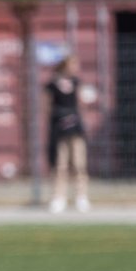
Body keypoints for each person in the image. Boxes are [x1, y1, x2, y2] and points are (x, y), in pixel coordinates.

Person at [45, 54, 90, 213]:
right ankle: (59, 197)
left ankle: (81, 197)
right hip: (59, 127)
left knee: (79, 163)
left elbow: (82, 103)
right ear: (65, 66)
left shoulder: (77, 83)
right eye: (73, 64)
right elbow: (47, 105)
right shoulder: (53, 84)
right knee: (60, 165)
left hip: (75, 127)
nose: (75, 68)